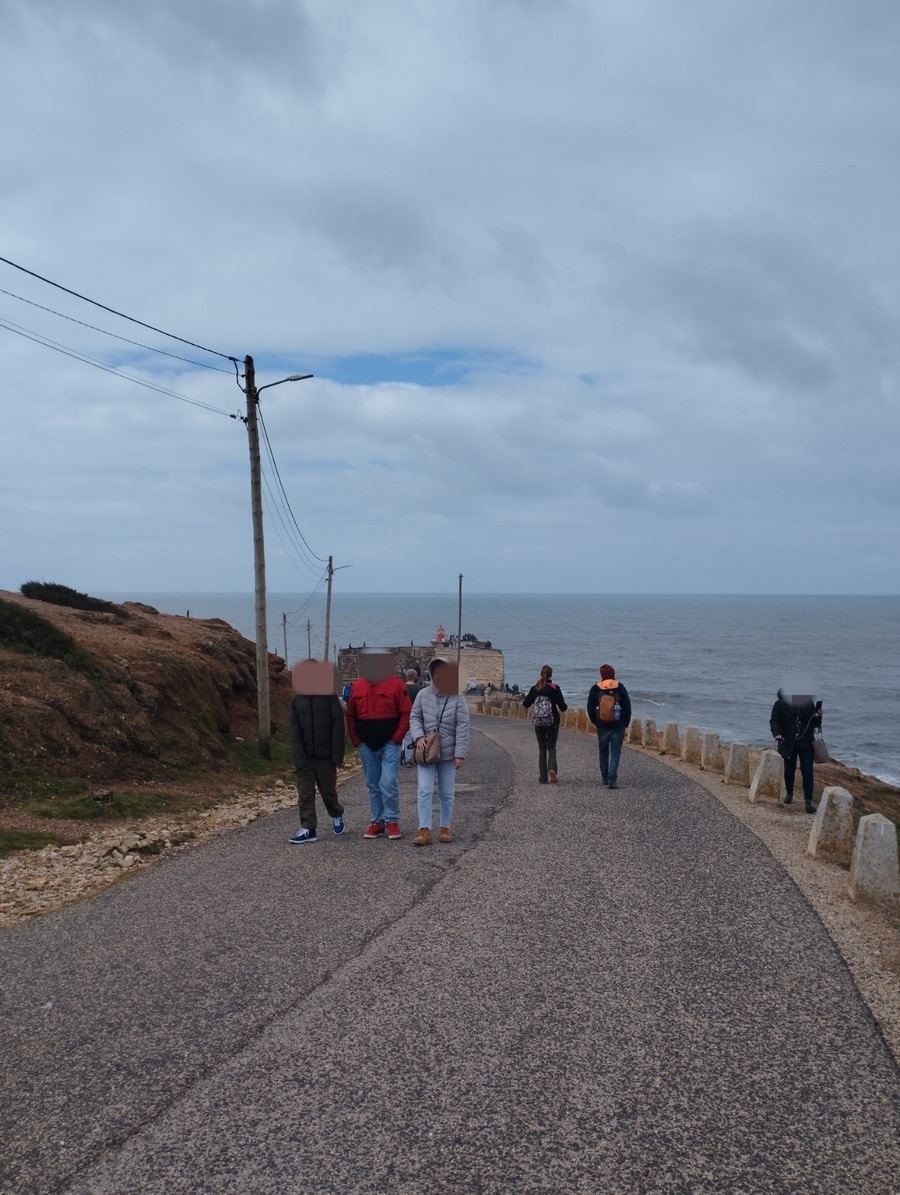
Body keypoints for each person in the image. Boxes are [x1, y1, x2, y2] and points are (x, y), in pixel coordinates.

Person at [345, 651, 412, 840]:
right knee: (373, 784)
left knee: (388, 782)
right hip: (366, 744)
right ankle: (377, 822)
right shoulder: (357, 686)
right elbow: (350, 715)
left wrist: (396, 739)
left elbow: (406, 712)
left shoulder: (396, 685)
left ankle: (392, 821)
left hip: (390, 743)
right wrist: (357, 741)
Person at [409, 658, 469, 846]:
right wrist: (418, 737)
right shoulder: (423, 694)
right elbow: (415, 717)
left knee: (447, 792)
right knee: (424, 789)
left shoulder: (458, 698)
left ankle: (445, 827)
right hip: (427, 750)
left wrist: (460, 754)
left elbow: (462, 727)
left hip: (448, 752)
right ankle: (424, 830)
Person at [288, 660, 347, 844]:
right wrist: (298, 758)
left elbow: (338, 727)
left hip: (326, 757)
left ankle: (336, 814)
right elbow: (294, 731)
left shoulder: (329, 696)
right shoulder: (296, 700)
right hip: (305, 757)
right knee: (305, 794)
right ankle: (308, 828)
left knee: (328, 792)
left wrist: (337, 756)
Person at [770, 691, 823, 813]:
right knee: (789, 770)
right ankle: (789, 793)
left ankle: (808, 801)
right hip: (788, 741)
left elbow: (815, 725)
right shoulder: (780, 704)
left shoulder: (807, 703)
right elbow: (774, 720)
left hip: (806, 741)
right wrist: (777, 733)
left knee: (807, 770)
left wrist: (818, 716)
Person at [587, 663, 632, 789]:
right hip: (618, 725)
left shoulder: (596, 688)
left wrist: (595, 721)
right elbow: (627, 706)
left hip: (602, 725)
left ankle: (605, 777)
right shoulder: (620, 687)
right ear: (613, 673)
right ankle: (612, 779)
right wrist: (626, 722)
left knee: (603, 751)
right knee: (616, 751)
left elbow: (590, 707)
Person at [522, 664, 568, 783]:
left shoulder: (535, 688)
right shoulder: (555, 688)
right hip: (553, 721)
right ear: (551, 675)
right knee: (551, 747)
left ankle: (543, 778)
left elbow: (526, 704)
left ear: (541, 674)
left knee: (542, 748)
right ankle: (552, 768)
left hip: (538, 722)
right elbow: (563, 707)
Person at [401, 668, 424, 766]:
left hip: (404, 715)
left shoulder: (402, 688)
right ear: (415, 677)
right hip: (417, 715)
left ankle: (407, 759)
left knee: (406, 737)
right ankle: (416, 756)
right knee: (417, 736)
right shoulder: (419, 689)